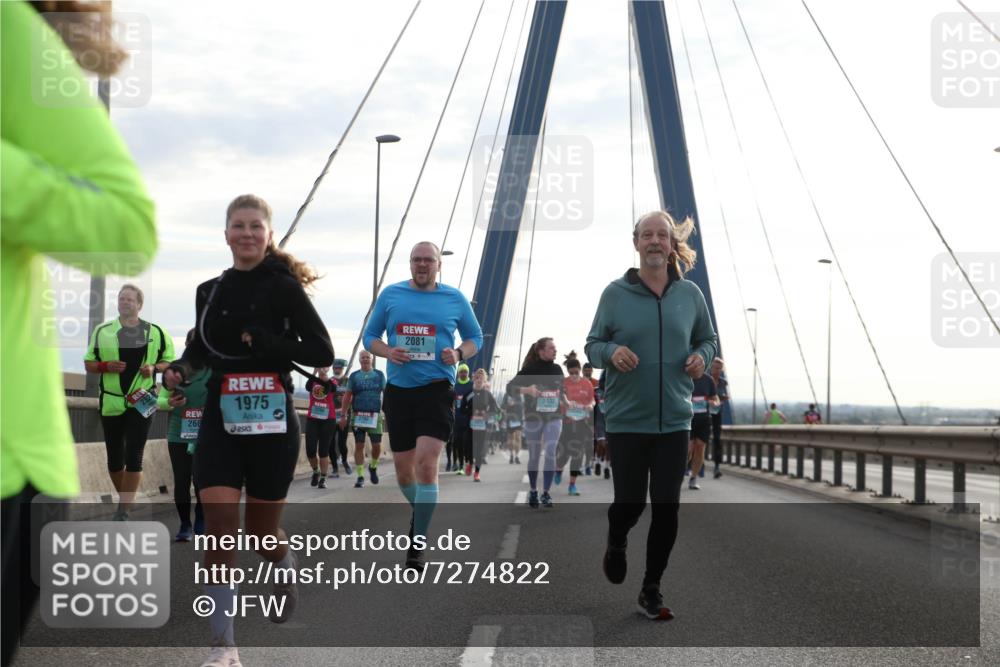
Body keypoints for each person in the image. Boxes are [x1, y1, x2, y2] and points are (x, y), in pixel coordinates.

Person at [1, 3, 156, 662]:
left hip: (12, 452)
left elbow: (128, 226)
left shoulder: (7, 32)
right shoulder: (99, 336)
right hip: (105, 402)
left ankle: (127, 509)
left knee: (128, 456)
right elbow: (93, 367)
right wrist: (104, 372)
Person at [162, 194, 333, 666]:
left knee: (259, 534)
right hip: (221, 417)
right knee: (219, 530)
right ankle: (225, 648)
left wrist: (267, 340)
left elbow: (321, 348)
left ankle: (283, 563)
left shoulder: (282, 287)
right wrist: (179, 368)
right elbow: (201, 349)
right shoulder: (209, 291)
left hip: (273, 421)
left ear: (268, 234)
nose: (247, 234)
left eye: (256, 226)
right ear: (226, 234)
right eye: (238, 226)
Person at [585, 210, 717, 620]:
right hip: (626, 420)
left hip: (674, 421)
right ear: (636, 243)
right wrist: (610, 352)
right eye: (648, 235)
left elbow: (708, 340)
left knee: (666, 506)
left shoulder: (690, 295)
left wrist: (700, 356)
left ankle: (651, 588)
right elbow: (592, 345)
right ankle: (617, 538)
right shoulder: (615, 294)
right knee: (630, 503)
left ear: (671, 244)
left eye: (662, 235)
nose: (655, 241)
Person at [362, 241, 483, 571]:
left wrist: (458, 354)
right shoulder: (391, 295)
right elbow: (370, 336)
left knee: (427, 465)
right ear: (410, 264)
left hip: (436, 391)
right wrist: (387, 352)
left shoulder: (454, 298)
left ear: (438, 265)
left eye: (428, 260)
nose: (422, 265)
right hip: (399, 393)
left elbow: (476, 338)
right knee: (404, 475)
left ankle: (418, 542)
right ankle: (424, 509)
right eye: (416, 260)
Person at [84, 284, 176, 520]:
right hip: (112, 401)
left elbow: (169, 362)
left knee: (134, 453)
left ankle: (123, 509)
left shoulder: (156, 332)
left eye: (129, 300)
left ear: (139, 304)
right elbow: (89, 363)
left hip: (143, 399)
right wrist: (106, 366)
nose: (124, 302)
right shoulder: (103, 330)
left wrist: (154, 368)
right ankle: (128, 499)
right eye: (121, 299)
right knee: (114, 460)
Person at [156, 330, 208, 540]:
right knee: (182, 479)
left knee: (201, 480)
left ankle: (201, 519)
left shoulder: (212, 370)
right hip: (179, 432)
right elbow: (158, 401)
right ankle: (185, 524)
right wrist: (169, 402)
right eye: (192, 343)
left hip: (205, 434)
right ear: (186, 345)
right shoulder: (175, 370)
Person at [507, 337, 565, 509]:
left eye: (555, 348)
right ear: (541, 351)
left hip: (554, 417)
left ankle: (546, 493)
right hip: (534, 417)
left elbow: (562, 391)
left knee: (550, 453)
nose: (555, 350)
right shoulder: (529, 369)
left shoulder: (557, 369)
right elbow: (509, 388)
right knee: (534, 455)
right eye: (552, 348)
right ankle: (533, 490)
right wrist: (527, 390)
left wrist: (565, 400)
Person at [341, 350, 387, 488]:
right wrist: (343, 415)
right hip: (358, 415)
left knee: (376, 446)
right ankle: (360, 476)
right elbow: (347, 396)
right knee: (359, 445)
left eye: (368, 357)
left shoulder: (379, 375)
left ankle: (373, 466)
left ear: (371, 359)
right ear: (360, 360)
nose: (366, 359)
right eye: (363, 358)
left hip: (375, 415)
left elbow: (387, 393)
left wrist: (389, 411)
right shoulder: (354, 376)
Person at [555, 355, 595, 496]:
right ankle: (559, 469)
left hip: (581, 423)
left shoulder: (587, 384)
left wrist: (590, 406)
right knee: (564, 454)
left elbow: (592, 401)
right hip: (566, 423)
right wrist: (566, 403)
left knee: (578, 454)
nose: (573, 375)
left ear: (580, 370)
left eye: (576, 373)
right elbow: (561, 397)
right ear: (567, 372)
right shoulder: (563, 383)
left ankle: (572, 485)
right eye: (571, 373)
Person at [460, 369, 500, 482]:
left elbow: (495, 408)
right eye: (476, 378)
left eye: (481, 378)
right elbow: (462, 409)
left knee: (479, 450)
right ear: (474, 379)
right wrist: (471, 412)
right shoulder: (468, 393)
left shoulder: (487, 394)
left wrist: (486, 414)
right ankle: (469, 462)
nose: (478, 380)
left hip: (483, 427)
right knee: (468, 448)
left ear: (484, 381)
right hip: (470, 426)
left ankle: (477, 473)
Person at [304, 366, 337, 489]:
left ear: (328, 368)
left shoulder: (332, 381)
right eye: (320, 367)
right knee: (310, 449)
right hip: (313, 419)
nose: (322, 369)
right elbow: (308, 387)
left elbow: (332, 389)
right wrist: (314, 372)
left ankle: (323, 478)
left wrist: (325, 378)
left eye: (324, 367)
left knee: (323, 450)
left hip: (328, 419)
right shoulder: (313, 381)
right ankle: (315, 471)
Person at [687, 372, 717, 490]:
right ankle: (678, 475)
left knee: (700, 448)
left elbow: (715, 398)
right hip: (688, 420)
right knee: (688, 449)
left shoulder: (708, 380)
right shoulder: (684, 376)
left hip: (704, 420)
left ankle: (693, 478)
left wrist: (714, 402)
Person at [329, 359, 353, 477]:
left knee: (342, 443)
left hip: (344, 415)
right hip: (331, 415)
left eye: (339, 368)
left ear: (343, 368)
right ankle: (334, 467)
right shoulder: (329, 381)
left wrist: (346, 399)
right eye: (335, 368)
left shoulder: (348, 381)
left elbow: (353, 396)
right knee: (330, 443)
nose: (337, 370)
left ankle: (344, 460)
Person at [449, 363, 474, 474]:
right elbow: (450, 401)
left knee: (466, 442)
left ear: (468, 373)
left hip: (468, 418)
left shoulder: (471, 385)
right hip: (457, 418)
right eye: (461, 372)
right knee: (457, 442)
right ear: (458, 373)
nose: (463, 374)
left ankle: (468, 462)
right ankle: (460, 465)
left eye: (465, 372)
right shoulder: (455, 386)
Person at [709, 358, 729, 478]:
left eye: (719, 368)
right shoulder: (704, 380)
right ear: (711, 368)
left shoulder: (723, 382)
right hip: (704, 413)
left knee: (717, 439)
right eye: (715, 367)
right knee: (700, 440)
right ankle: (692, 465)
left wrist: (723, 398)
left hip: (717, 413)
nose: (717, 370)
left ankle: (717, 467)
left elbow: (721, 396)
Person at [594, 372, 611, 480]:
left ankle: (606, 468)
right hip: (599, 421)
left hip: (611, 422)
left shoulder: (614, 391)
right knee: (601, 444)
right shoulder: (595, 392)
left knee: (609, 447)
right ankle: (598, 461)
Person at [503, 392, 525, 464]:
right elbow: (502, 405)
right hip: (510, 418)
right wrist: (508, 405)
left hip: (519, 418)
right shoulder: (507, 394)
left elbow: (525, 405)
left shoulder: (522, 393)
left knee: (518, 437)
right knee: (511, 438)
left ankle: (517, 457)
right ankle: (511, 455)